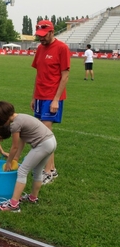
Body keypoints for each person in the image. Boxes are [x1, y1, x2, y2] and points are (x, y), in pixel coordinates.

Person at [0, 101, 57, 212]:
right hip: (52, 141)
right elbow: (22, 140)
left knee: (22, 171)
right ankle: (33, 198)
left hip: (43, 144)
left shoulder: (14, 125)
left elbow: (14, 147)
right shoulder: (21, 117)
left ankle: (13, 205)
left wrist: (9, 161)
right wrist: (16, 158)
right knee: (37, 171)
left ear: (2, 118)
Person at [31, 20, 70, 185]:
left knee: (44, 135)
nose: (41, 39)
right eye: (38, 36)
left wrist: (55, 100)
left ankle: (48, 171)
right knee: (43, 135)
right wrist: (34, 96)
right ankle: (51, 170)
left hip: (52, 97)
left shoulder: (61, 48)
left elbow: (65, 75)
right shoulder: (40, 49)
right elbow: (39, 74)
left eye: (43, 36)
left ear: (52, 32)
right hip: (40, 96)